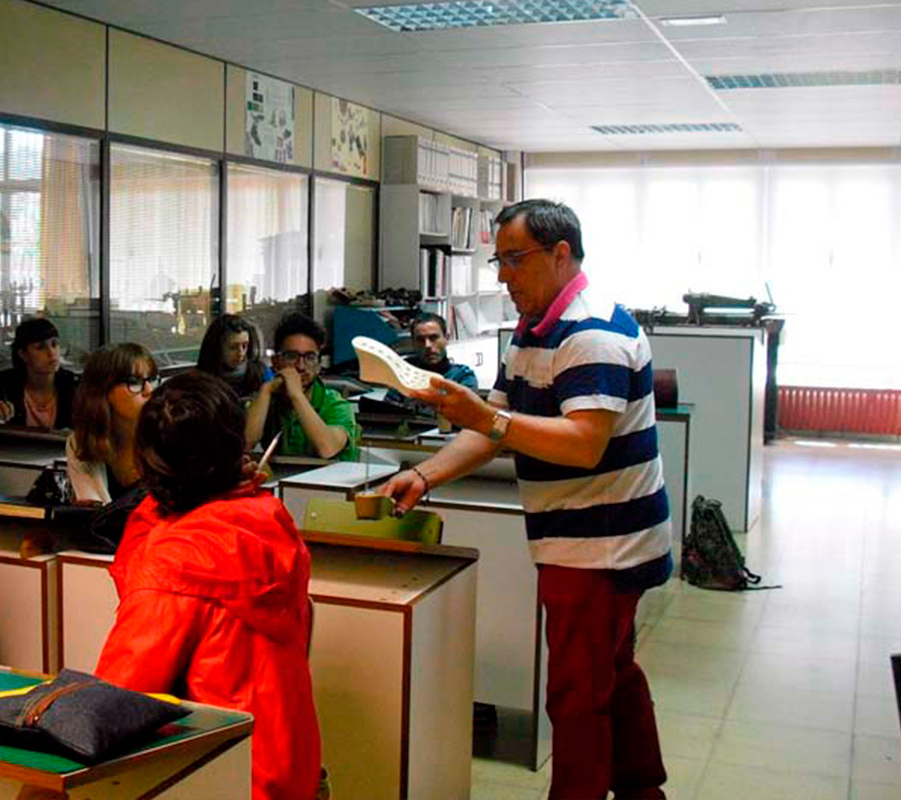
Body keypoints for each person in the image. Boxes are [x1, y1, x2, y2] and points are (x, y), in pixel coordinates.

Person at [379, 199, 670, 800]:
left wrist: (486, 418)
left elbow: (583, 443)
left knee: (577, 693)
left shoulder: (592, 332)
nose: (503, 276)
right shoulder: (535, 327)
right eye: (499, 260)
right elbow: (498, 423)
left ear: (560, 255)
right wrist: (428, 474)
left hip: (603, 547)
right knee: (610, 674)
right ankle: (643, 789)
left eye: (515, 260)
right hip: (584, 541)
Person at [94, 371, 321, 800]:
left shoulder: (176, 561)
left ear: (149, 460)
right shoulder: (264, 516)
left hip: (220, 775)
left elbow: (117, 703)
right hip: (286, 763)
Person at [245, 312, 360, 461]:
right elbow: (246, 444)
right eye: (292, 356)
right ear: (276, 362)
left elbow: (327, 448)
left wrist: (296, 395)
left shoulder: (336, 405)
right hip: (281, 481)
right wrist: (266, 390)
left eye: (310, 357)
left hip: (330, 483)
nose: (300, 366)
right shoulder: (267, 401)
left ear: (319, 365)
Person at [66, 343, 158, 504]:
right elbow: (93, 513)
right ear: (103, 390)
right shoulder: (80, 443)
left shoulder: (170, 438)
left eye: (152, 379)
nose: (149, 390)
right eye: (134, 382)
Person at [0, 317, 77, 430]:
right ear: (23, 354)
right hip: (16, 447)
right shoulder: (7, 382)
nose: (51, 353)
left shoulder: (72, 384)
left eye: (54, 344)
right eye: (40, 347)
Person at [383, 312, 478, 407]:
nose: (427, 345)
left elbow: (466, 414)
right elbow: (390, 412)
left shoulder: (462, 376)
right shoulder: (404, 374)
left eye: (433, 338)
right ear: (413, 343)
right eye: (420, 340)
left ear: (446, 338)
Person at [196, 313, 270, 401]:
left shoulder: (261, 373)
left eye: (245, 346)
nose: (241, 353)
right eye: (233, 347)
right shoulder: (201, 382)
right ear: (217, 348)